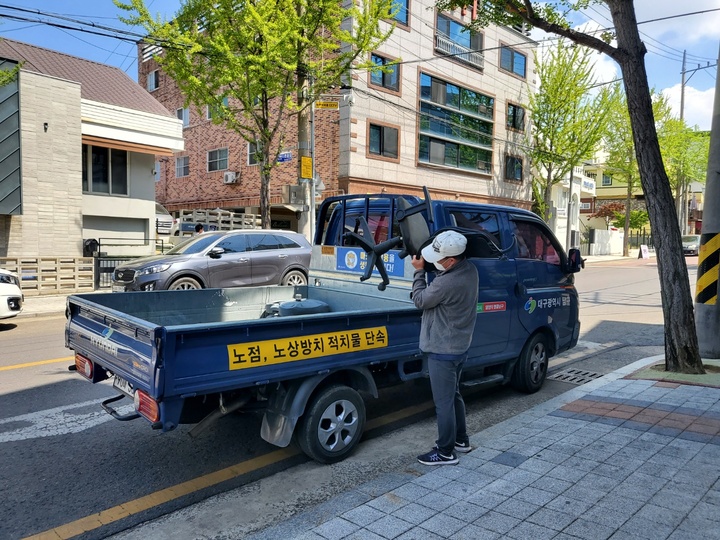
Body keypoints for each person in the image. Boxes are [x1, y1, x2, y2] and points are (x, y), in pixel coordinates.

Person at [410, 230, 479, 466]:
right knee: (454, 395)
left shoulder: (446, 282)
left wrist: (419, 272)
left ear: (450, 261)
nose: (434, 262)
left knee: (443, 404)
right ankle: (461, 440)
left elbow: (420, 300)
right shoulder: (470, 270)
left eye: (438, 259)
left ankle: (445, 451)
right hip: (459, 346)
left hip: (443, 350)